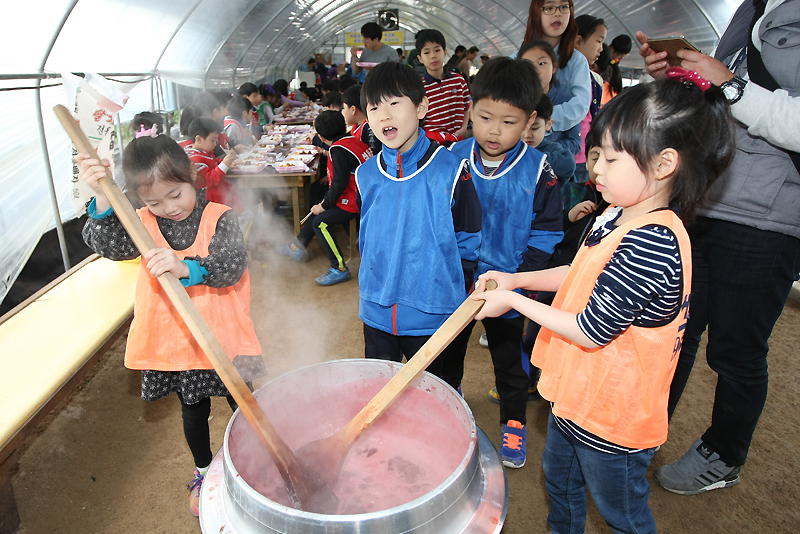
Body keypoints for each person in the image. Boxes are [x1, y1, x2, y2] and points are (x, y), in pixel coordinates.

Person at [472, 73, 735, 534]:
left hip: (612, 419)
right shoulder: (618, 213)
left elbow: (589, 328)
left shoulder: (654, 241)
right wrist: (517, 278)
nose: (596, 170)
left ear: (664, 163)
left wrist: (513, 299)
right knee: (560, 484)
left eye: (612, 159)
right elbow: (579, 274)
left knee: (622, 514)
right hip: (576, 398)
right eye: (597, 156)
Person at [637, 0, 800, 495]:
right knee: (672, 330)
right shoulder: (751, 8)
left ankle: (724, 453)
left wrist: (728, 82)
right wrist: (682, 77)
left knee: (735, 350)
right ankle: (642, 429)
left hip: (766, 218)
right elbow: (721, 103)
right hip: (706, 198)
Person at [77, 135, 266, 517]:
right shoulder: (141, 223)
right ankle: (202, 469)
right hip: (178, 343)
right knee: (193, 410)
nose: (168, 208)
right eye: (153, 202)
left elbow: (232, 266)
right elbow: (109, 245)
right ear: (140, 201)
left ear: (193, 176)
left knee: (243, 404)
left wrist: (188, 268)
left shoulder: (219, 217)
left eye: (175, 194)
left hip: (224, 338)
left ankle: (259, 461)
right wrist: (100, 196)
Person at [449, 57, 564, 469]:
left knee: (509, 360)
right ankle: (451, 405)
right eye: (484, 118)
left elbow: (547, 232)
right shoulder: (452, 159)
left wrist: (518, 283)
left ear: (530, 121)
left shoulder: (538, 170)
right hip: (458, 282)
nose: (494, 131)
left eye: (509, 122)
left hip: (508, 288)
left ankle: (513, 421)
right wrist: (455, 274)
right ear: (471, 111)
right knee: (448, 352)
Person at [356, 61, 482, 384]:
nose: (384, 115)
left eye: (394, 103)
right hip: (376, 314)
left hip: (433, 315)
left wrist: (451, 288)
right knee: (381, 395)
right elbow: (367, 238)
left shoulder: (451, 170)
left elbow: (469, 238)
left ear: (422, 106)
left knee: (434, 397)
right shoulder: (365, 175)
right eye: (374, 107)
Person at [278, 111, 372, 285]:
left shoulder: (338, 150)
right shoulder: (350, 140)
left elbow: (339, 184)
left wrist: (325, 205)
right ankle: (298, 246)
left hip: (355, 201)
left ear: (320, 136)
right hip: (363, 194)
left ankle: (340, 268)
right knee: (317, 204)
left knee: (319, 222)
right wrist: (323, 204)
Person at [523, 0, 591, 133]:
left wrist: (541, 120)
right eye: (549, 8)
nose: (558, 13)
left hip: (561, 143)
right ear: (536, 12)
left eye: (564, 7)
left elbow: (580, 105)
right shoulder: (516, 59)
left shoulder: (577, 61)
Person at [519, 41, 580, 182]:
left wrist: (538, 152)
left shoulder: (568, 101)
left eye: (541, 63)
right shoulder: (514, 102)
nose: (534, 71)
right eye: (528, 65)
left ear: (554, 67)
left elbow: (573, 144)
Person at [184, 117, 252, 236]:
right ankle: (239, 244)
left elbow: (214, 162)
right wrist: (225, 164)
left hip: (225, 197)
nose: (215, 144)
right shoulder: (194, 160)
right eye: (213, 140)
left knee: (247, 213)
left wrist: (229, 162)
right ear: (198, 139)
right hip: (216, 203)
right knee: (241, 220)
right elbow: (210, 179)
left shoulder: (203, 153)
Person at [416, 29, 470, 140]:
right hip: (432, 142)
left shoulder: (459, 81)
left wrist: (463, 128)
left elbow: (466, 107)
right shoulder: (419, 87)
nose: (433, 56)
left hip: (458, 139)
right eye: (427, 52)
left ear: (444, 52)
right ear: (420, 58)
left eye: (437, 50)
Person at [573, 14, 607, 183]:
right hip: (563, 156)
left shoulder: (595, 80)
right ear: (578, 40)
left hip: (584, 158)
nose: (601, 48)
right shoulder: (558, 76)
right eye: (598, 41)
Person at [341, 84, 381, 155]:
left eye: (344, 108)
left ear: (353, 109)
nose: (342, 112)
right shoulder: (355, 126)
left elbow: (374, 154)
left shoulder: (369, 128)